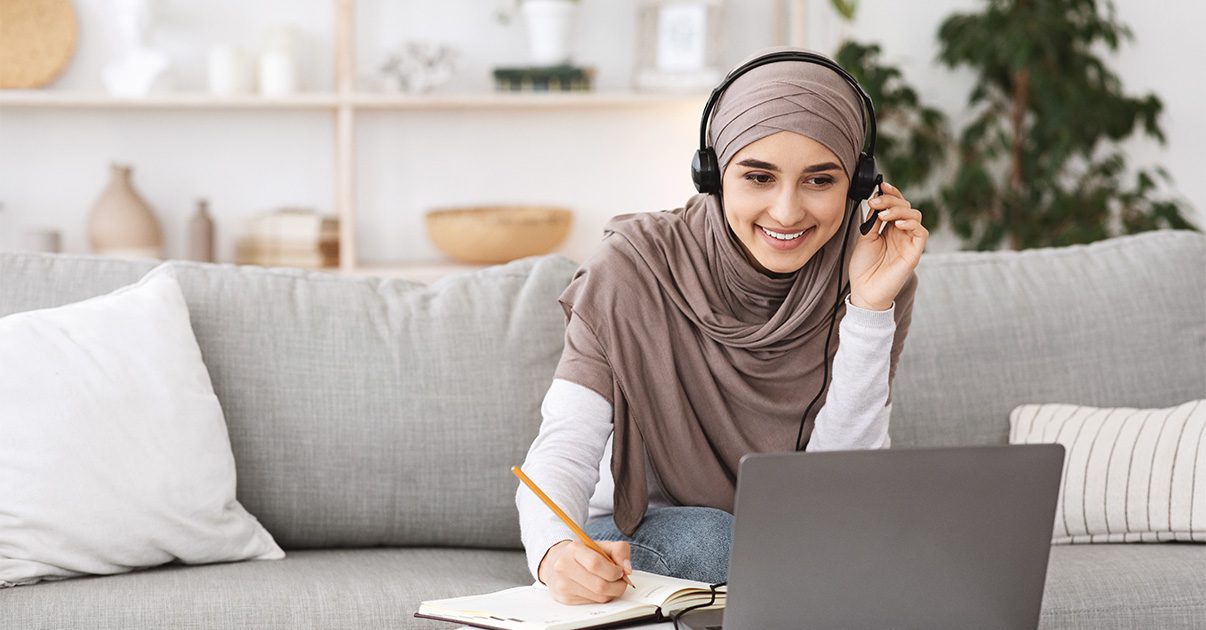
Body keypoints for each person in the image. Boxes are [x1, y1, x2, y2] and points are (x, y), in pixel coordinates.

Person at [515, 45, 929, 606]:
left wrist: (870, 308)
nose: (787, 212)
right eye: (758, 177)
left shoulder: (870, 270)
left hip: (795, 537)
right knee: (719, 541)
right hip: (648, 533)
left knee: (891, 548)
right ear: (711, 174)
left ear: (857, 183)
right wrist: (554, 550)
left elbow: (841, 490)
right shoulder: (631, 268)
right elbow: (565, 443)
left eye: (819, 180)